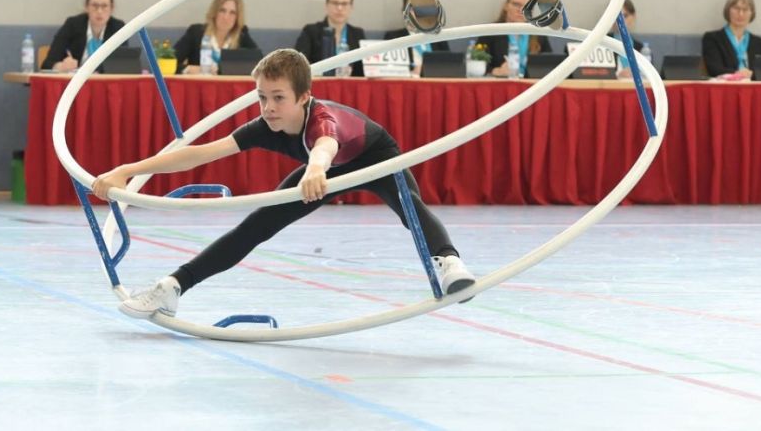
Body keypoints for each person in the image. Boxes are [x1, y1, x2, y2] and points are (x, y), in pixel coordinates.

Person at [92, 48, 476, 318]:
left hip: (373, 158)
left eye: (278, 97)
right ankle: (174, 286)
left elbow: (325, 144)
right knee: (257, 225)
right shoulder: (266, 125)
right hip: (323, 169)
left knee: (410, 204)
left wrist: (315, 169)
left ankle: (450, 264)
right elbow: (203, 152)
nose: (268, 107)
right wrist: (130, 169)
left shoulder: (322, 119)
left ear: (304, 96)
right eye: (262, 97)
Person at [41, 0, 126, 72]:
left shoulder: (118, 28)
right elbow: (46, 64)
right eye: (94, 5)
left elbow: (125, 65)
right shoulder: (73, 25)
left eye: (104, 6)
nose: (99, 11)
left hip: (105, 84)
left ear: (112, 8)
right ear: (86, 6)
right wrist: (60, 66)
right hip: (76, 84)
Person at [174, 0, 259, 74]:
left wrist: (220, 69)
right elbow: (167, 62)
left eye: (232, 13)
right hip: (199, 86)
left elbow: (261, 65)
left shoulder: (242, 35)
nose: (226, 17)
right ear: (214, 11)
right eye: (222, 10)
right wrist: (188, 69)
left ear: (238, 17)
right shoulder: (196, 33)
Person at [475, 0, 553, 77]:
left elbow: (549, 65)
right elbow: (475, 64)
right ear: (506, 6)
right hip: (501, 85)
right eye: (516, 4)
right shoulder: (490, 32)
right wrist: (496, 71)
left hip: (534, 86)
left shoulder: (539, 34)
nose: (521, 10)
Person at [295, 0, 367, 77]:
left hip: (348, 87)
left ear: (351, 7)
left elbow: (363, 70)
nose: (339, 8)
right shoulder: (311, 31)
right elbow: (299, 64)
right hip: (318, 85)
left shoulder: (358, 34)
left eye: (344, 4)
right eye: (335, 3)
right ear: (326, 5)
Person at [702, 0, 761, 79]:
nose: (741, 14)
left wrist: (751, 75)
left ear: (752, 13)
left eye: (745, 10)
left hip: (754, 90)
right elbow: (714, 69)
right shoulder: (712, 39)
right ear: (728, 10)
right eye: (736, 8)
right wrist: (738, 74)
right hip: (726, 89)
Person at [384, 0, 451, 77]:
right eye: (412, 8)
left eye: (420, 8)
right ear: (404, 12)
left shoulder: (439, 38)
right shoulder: (393, 37)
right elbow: (388, 71)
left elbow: (450, 69)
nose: (416, 12)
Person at [611, 0, 644, 78]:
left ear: (633, 16)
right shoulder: (604, 44)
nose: (620, 21)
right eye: (617, 16)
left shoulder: (641, 47)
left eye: (625, 16)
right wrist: (617, 76)